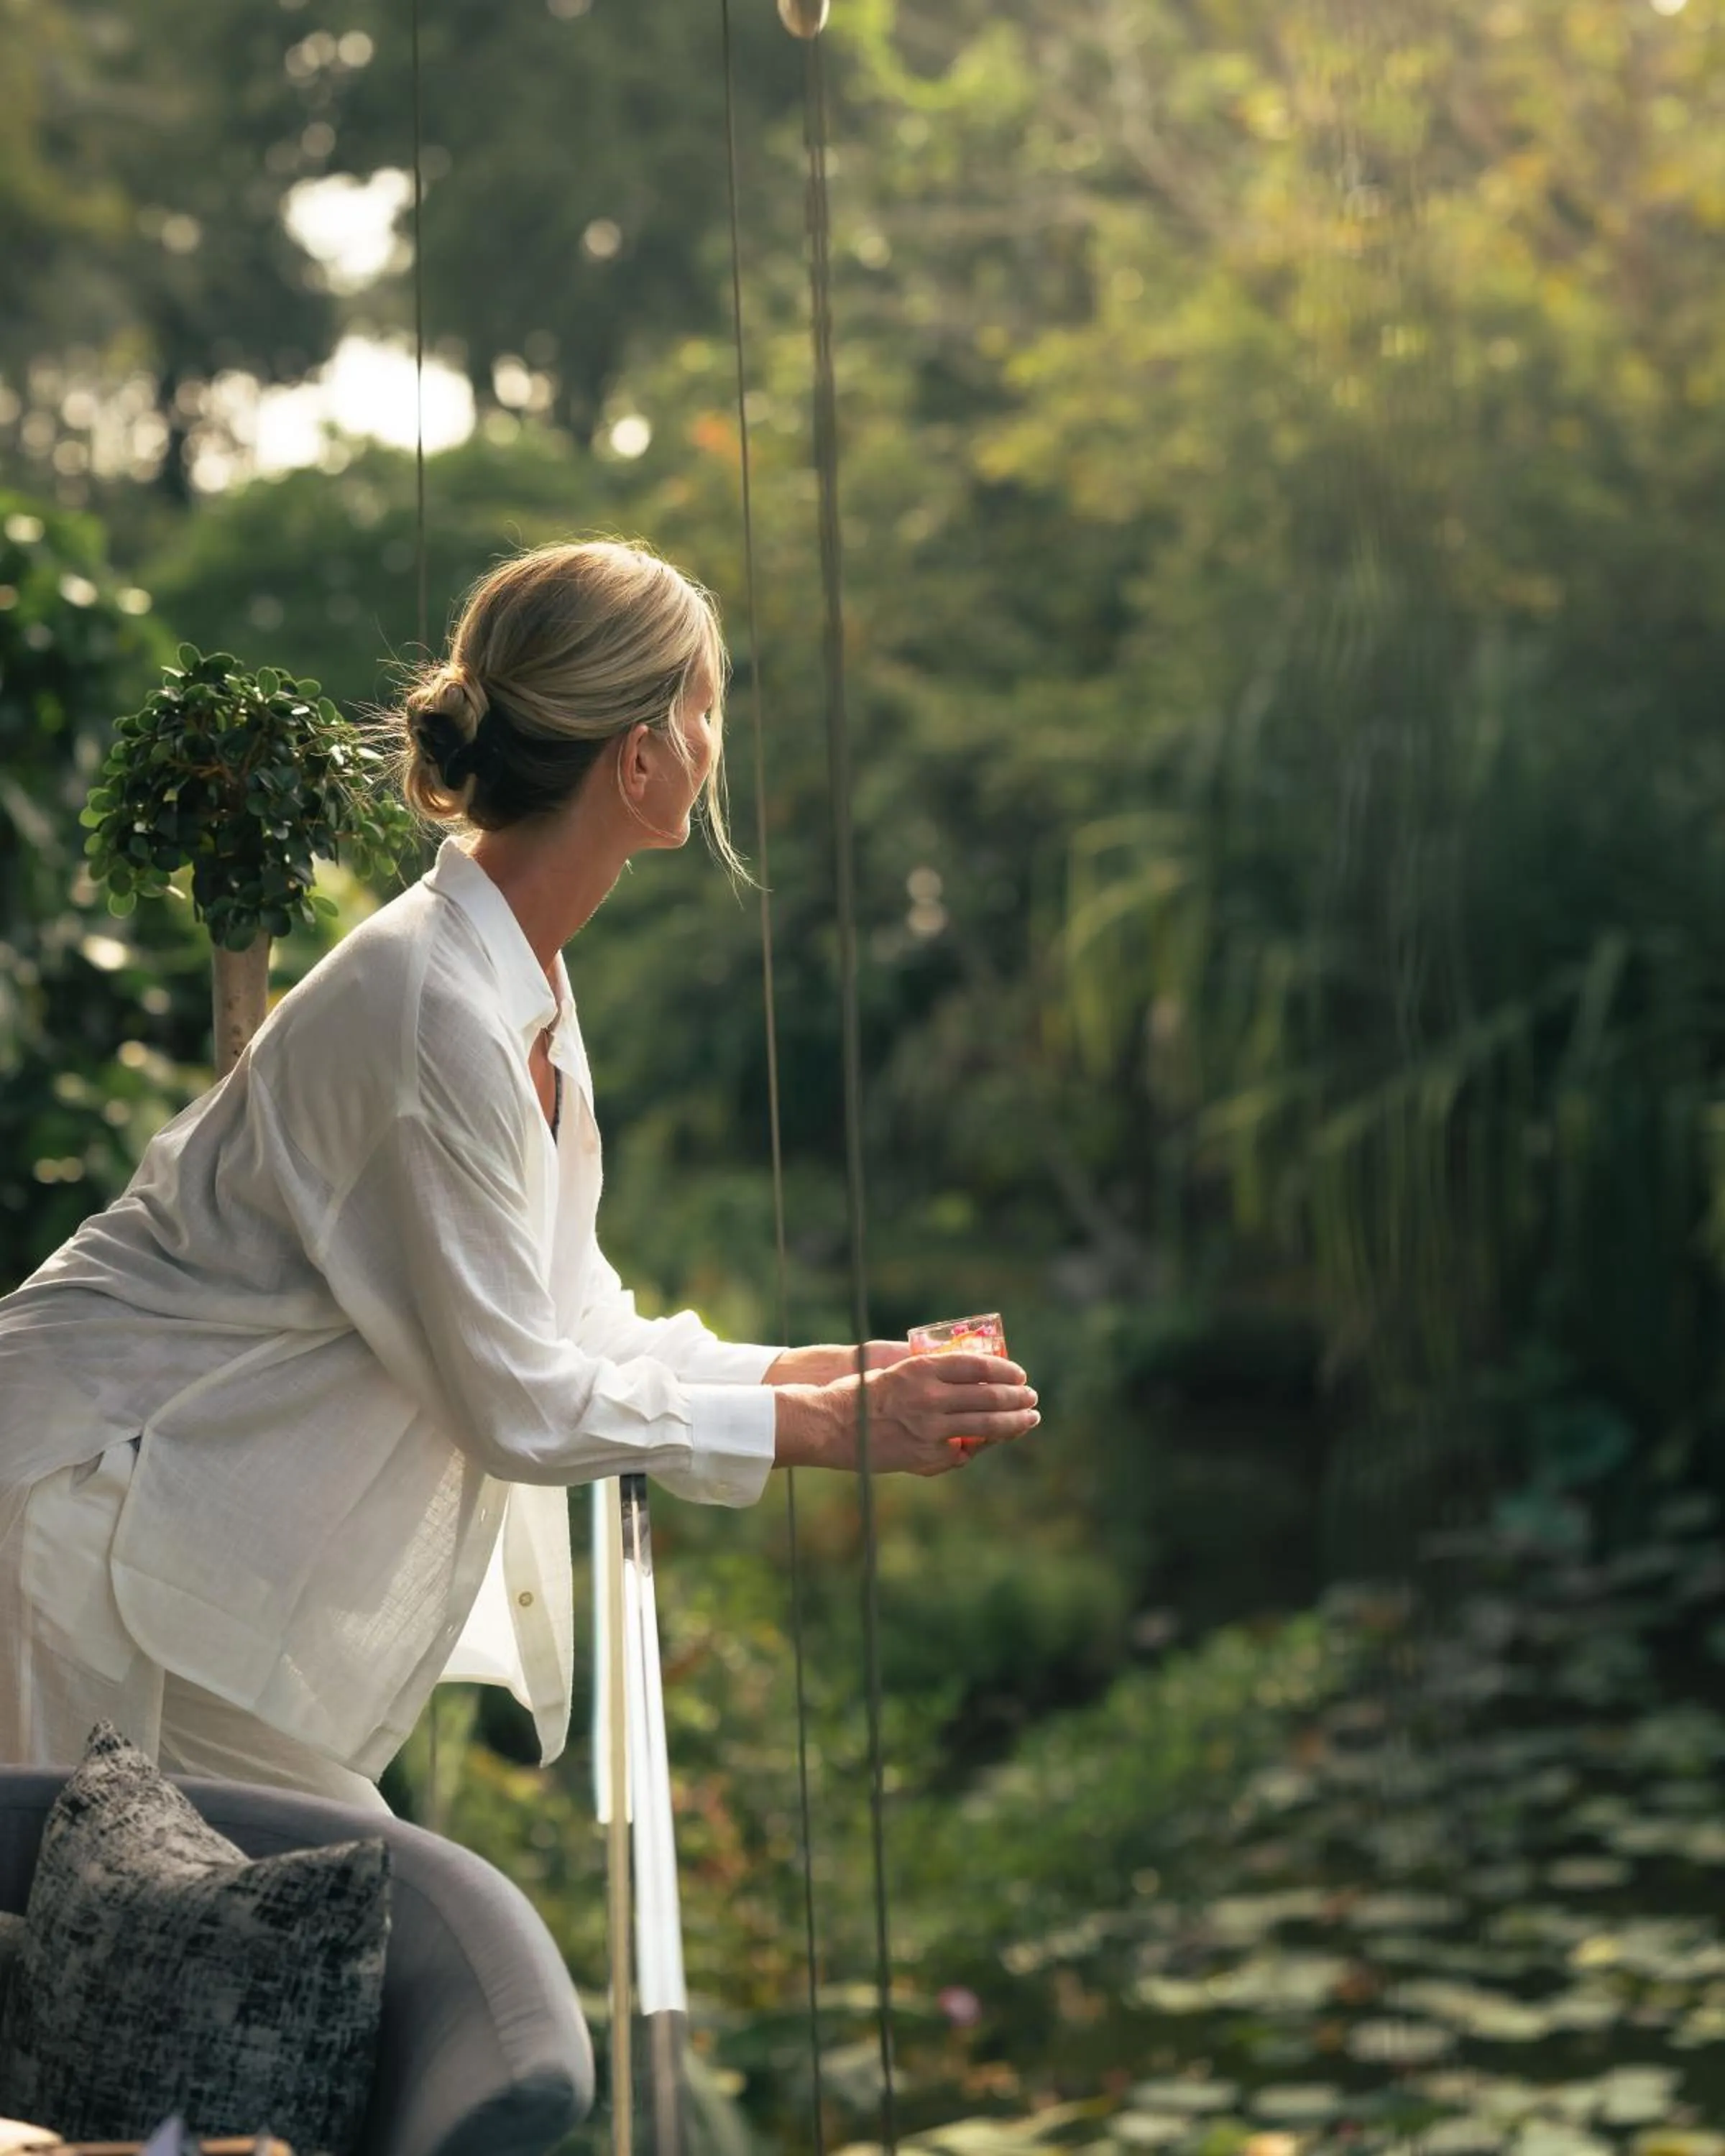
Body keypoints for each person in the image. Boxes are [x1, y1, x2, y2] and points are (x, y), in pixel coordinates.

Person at [0, 539, 1039, 1811]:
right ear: (640, 759)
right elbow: (518, 1400)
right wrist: (827, 1428)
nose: (716, 747)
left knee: (322, 1895)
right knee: (193, 1910)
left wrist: (819, 1372)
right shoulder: (435, 1004)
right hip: (68, 1500)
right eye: (707, 711)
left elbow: (570, 1318)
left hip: (139, 1511)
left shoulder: (518, 979)